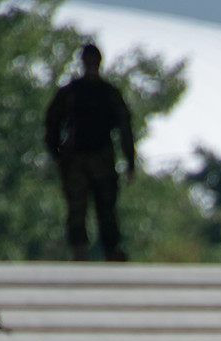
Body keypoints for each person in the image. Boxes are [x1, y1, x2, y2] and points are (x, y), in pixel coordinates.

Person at [44, 43, 136, 262]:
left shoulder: (93, 93)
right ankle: (84, 254)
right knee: (84, 210)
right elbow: (52, 123)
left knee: (101, 209)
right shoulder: (79, 93)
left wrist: (130, 161)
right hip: (82, 159)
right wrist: (57, 154)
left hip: (92, 158)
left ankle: (100, 252)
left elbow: (125, 129)